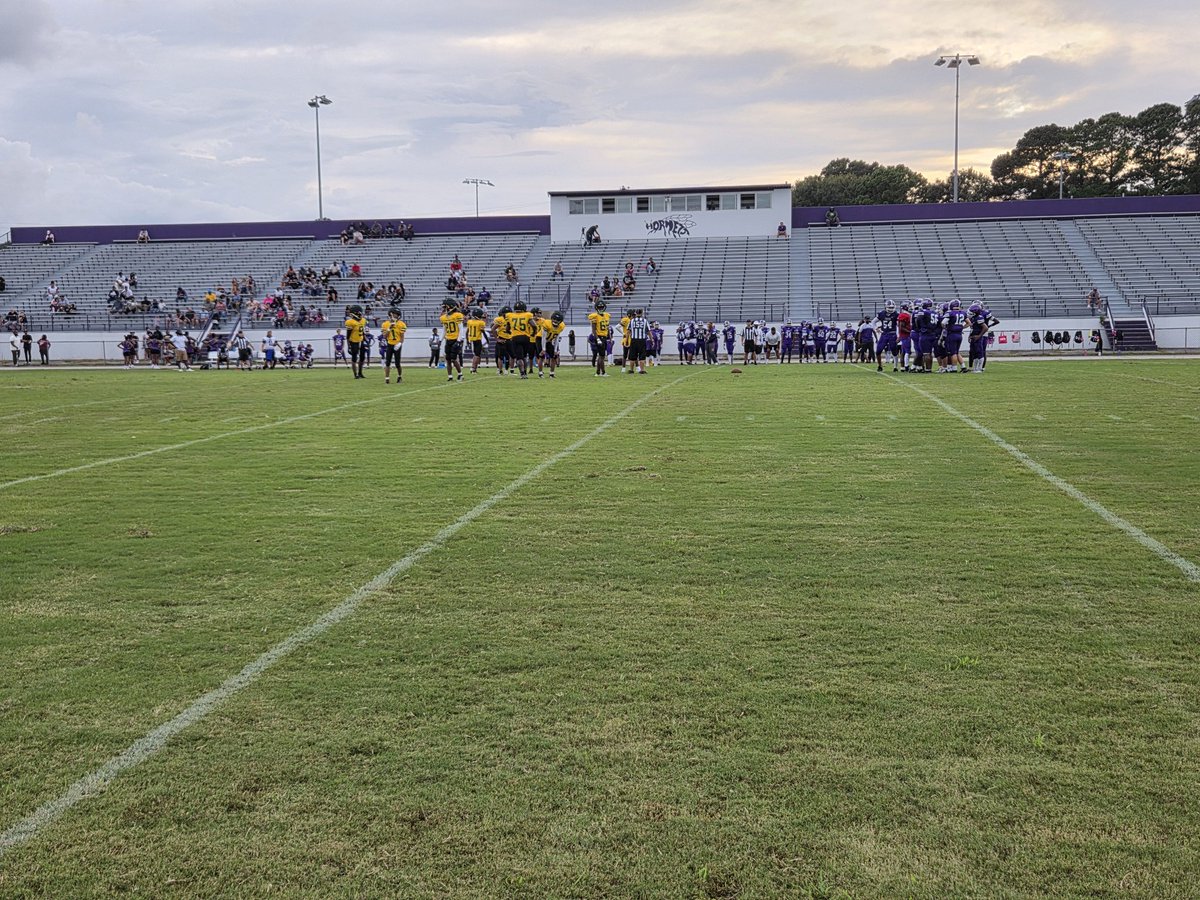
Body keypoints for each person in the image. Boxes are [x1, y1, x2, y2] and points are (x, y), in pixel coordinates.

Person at [505, 300, 535, 379]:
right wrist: (533, 333)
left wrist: (509, 332)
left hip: (515, 337)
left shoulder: (510, 315)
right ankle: (525, 372)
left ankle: (522, 373)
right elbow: (534, 325)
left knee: (519, 357)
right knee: (524, 356)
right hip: (526, 337)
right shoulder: (527, 315)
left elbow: (507, 328)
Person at [440, 300, 465, 382]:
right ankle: (450, 376)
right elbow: (444, 330)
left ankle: (460, 374)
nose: (444, 308)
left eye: (445, 306)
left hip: (455, 339)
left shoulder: (457, 315)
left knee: (454, 359)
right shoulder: (444, 317)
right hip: (448, 340)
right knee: (448, 359)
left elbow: (461, 329)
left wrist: (458, 340)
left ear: (450, 306)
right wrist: (440, 339)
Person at [381, 307, 407, 384]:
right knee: (387, 362)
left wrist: (399, 344)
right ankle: (387, 378)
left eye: (397, 315)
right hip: (389, 344)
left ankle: (399, 377)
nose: (397, 316)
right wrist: (389, 328)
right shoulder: (385, 324)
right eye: (395, 314)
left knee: (397, 363)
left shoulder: (401, 324)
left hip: (397, 345)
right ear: (391, 314)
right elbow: (384, 336)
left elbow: (402, 337)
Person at [587, 300, 611, 376]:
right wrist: (597, 339)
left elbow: (607, 327)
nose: (600, 308)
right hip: (599, 337)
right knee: (602, 356)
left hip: (604, 337)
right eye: (599, 307)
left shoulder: (607, 315)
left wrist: (609, 337)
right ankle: (603, 372)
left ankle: (598, 372)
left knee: (601, 356)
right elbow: (593, 329)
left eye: (602, 307)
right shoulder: (594, 316)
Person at [344, 304, 368, 379]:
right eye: (359, 313)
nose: (360, 314)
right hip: (353, 341)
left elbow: (362, 330)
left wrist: (365, 337)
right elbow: (348, 335)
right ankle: (355, 374)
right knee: (354, 358)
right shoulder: (350, 322)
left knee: (362, 358)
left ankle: (360, 373)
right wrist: (349, 346)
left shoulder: (363, 320)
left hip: (361, 340)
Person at [626, 308, 650, 375]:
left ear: (635, 313)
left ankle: (631, 370)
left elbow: (628, 331)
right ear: (642, 313)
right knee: (642, 356)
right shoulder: (645, 321)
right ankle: (642, 370)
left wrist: (627, 340)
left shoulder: (632, 321)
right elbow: (648, 331)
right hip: (642, 340)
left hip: (634, 340)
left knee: (632, 356)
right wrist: (652, 339)